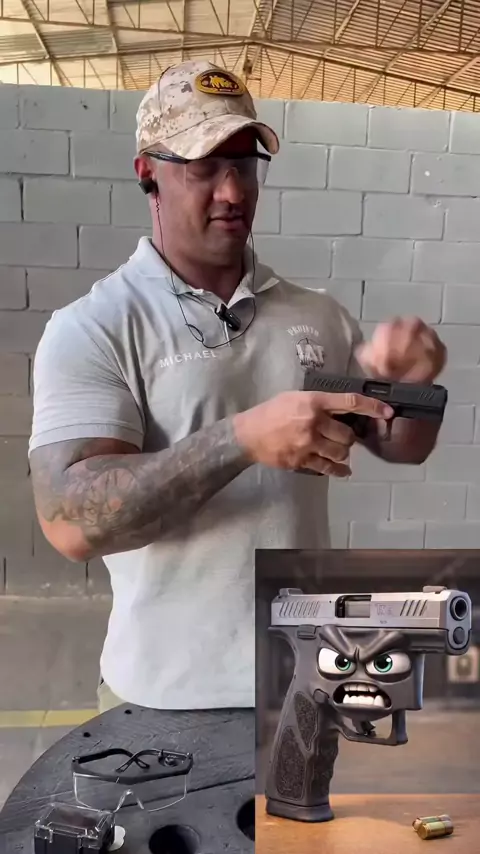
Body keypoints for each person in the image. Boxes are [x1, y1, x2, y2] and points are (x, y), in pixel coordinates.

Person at [28, 60, 446, 713]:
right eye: (204, 166)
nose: (232, 191)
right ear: (148, 172)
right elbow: (71, 521)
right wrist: (244, 439)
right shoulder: (95, 326)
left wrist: (414, 386)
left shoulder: (318, 315)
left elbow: (400, 445)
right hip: (161, 699)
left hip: (306, 682)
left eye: (245, 165)